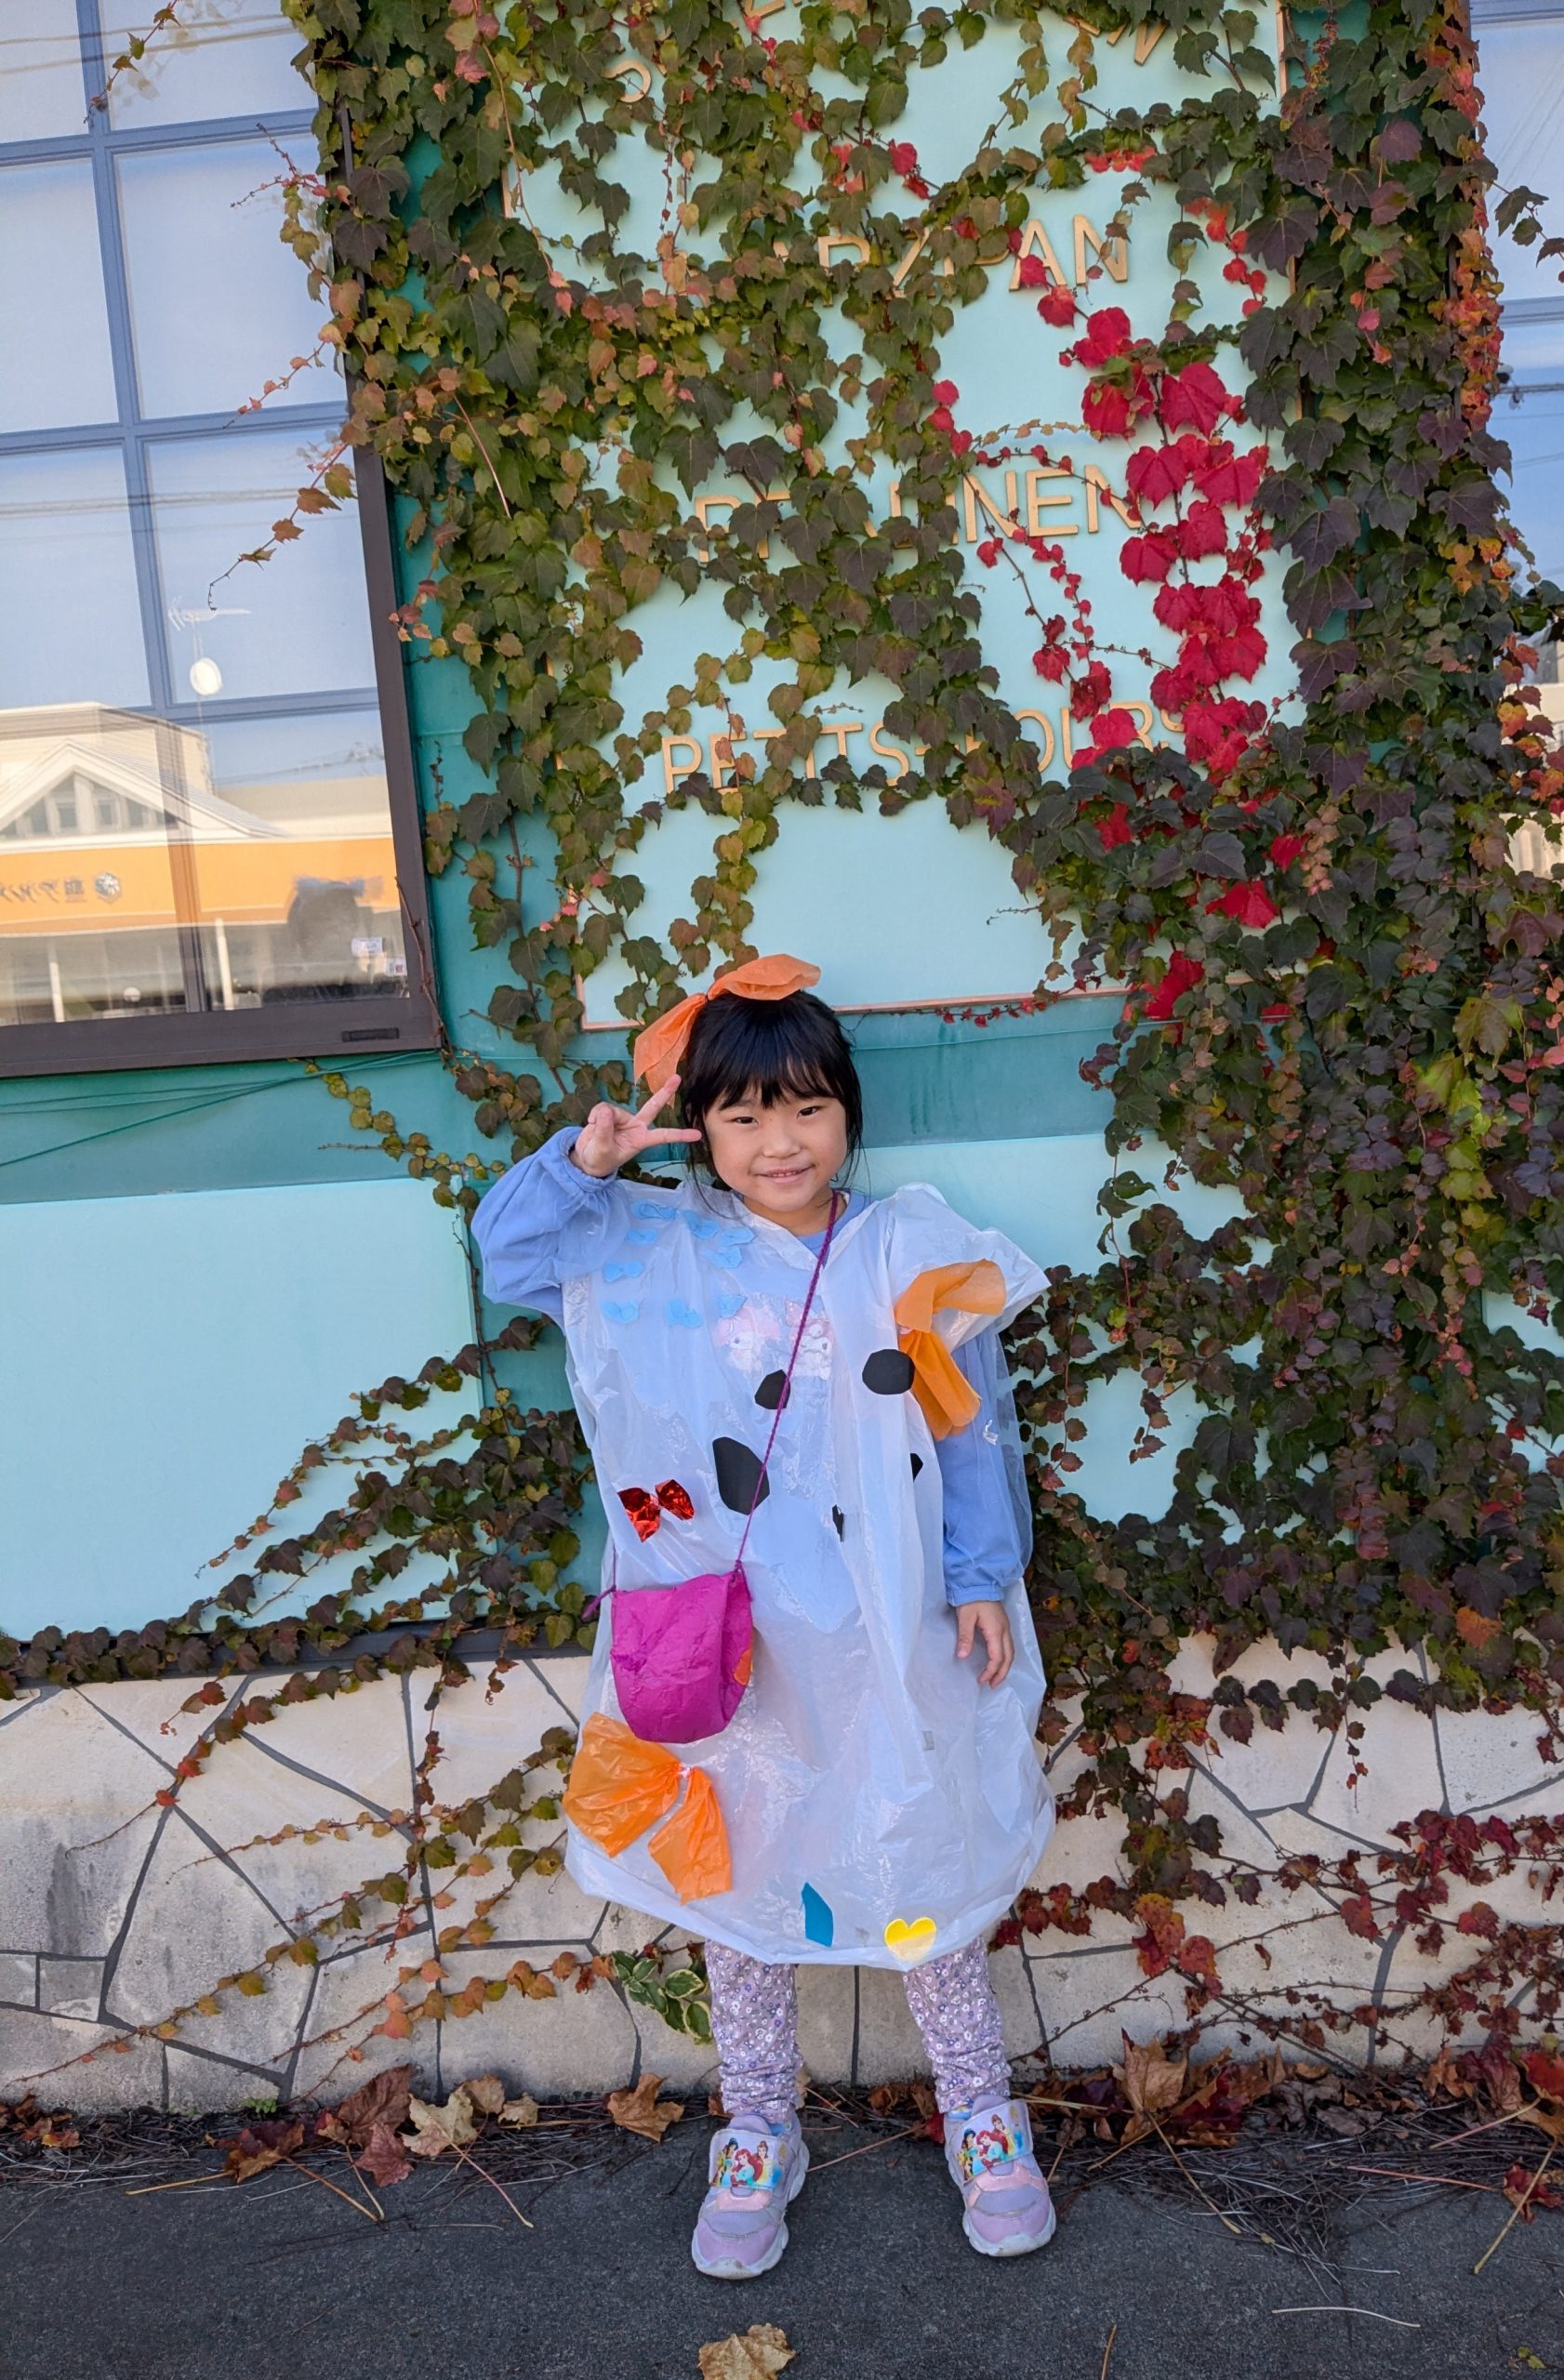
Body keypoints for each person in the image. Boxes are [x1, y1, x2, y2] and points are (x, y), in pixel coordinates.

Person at [472, 954, 1057, 2277]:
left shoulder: (905, 1247)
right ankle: (757, 2127)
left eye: (805, 1108)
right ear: (701, 1128)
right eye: (741, 1115)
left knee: (921, 1860)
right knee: (734, 1880)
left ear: (847, 1112)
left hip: (889, 1626)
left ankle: (978, 2111)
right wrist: (585, 1163)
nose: (778, 1141)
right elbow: (512, 1256)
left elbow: (966, 1425)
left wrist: (978, 1576)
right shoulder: (649, 1240)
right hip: (727, 1644)